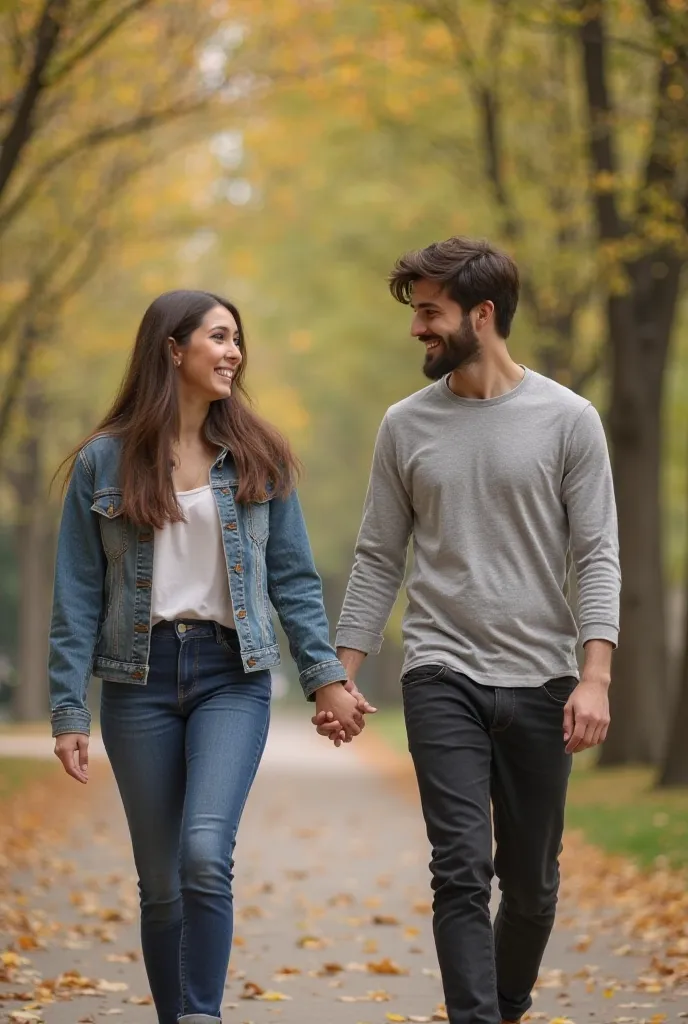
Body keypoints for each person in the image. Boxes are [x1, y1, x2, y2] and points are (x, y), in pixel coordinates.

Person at [48, 289, 374, 1024]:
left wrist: (325, 678)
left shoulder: (260, 454)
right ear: (173, 348)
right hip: (139, 682)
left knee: (203, 853)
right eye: (219, 337)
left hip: (233, 676)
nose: (234, 352)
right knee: (160, 882)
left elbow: (292, 579)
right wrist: (69, 708)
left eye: (237, 340)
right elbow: (76, 597)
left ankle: (203, 1016)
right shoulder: (104, 462)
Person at [329, 238, 621, 1024]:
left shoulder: (570, 420)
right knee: (460, 869)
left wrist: (595, 676)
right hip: (441, 672)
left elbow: (596, 555)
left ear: (482, 315)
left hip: (543, 679)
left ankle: (503, 1005)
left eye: (430, 311)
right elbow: (378, 557)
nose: (418, 328)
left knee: (531, 887)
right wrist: (341, 672)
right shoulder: (405, 425)